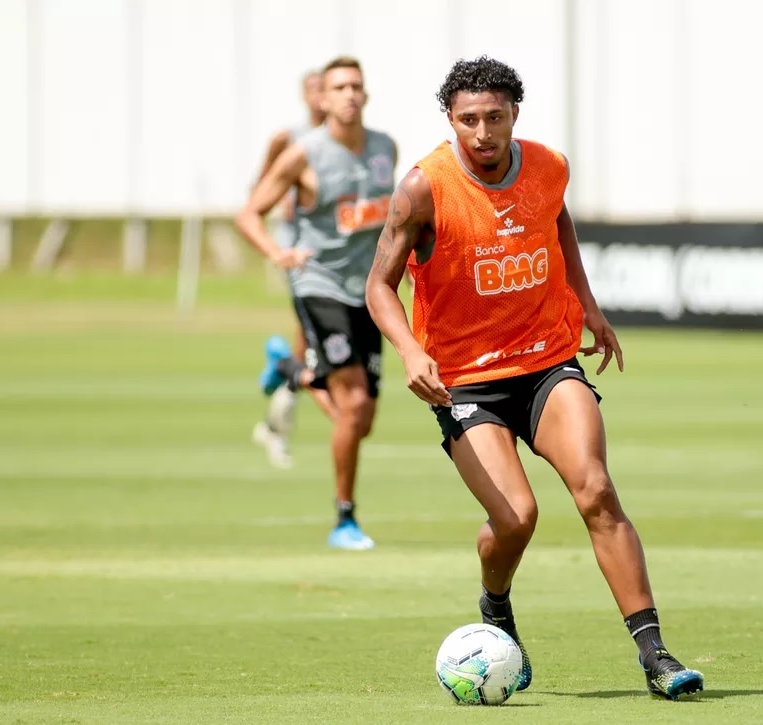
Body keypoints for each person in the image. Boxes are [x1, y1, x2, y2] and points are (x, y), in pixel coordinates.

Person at [365, 56, 704, 699]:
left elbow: (558, 220)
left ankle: (655, 654)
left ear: (515, 114)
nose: (483, 132)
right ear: (450, 121)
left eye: (495, 117)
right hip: (465, 382)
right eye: (469, 120)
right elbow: (378, 286)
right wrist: (410, 351)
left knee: (596, 490)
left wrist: (588, 305)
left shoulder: (548, 166)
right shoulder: (423, 188)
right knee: (518, 517)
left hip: (547, 360)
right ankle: (495, 606)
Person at [236, 56, 398, 551]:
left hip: (368, 289)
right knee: (353, 406)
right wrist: (277, 253)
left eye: (356, 86)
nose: (350, 94)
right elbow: (249, 213)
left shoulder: (385, 147)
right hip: (318, 283)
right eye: (339, 87)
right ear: (321, 98)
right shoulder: (303, 153)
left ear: (366, 95)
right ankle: (344, 519)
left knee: (361, 421)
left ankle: (290, 368)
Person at [250, 68, 338, 470]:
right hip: (300, 251)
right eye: (314, 90)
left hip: (340, 254)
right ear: (306, 96)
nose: (321, 97)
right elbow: (259, 192)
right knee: (314, 338)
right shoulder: (288, 139)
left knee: (309, 346)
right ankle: (279, 427)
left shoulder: (348, 142)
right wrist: (287, 195)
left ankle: (282, 372)